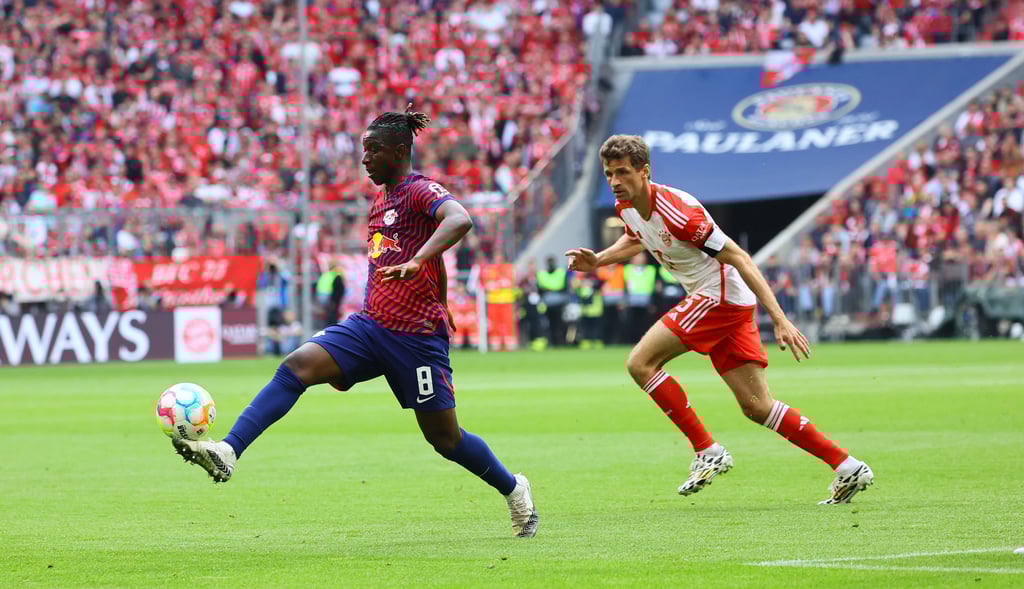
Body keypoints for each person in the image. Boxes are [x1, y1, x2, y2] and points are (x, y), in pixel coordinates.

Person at [172, 105, 538, 537]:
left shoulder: (421, 191)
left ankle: (515, 489)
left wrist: (423, 270)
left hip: (416, 339)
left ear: (400, 151)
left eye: (372, 150)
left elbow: (460, 220)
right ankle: (229, 451)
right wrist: (436, 287)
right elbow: (423, 259)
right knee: (296, 367)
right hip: (369, 326)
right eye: (363, 150)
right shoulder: (380, 200)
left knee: (445, 440)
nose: (364, 159)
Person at [565, 135, 874, 505]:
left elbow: (740, 257)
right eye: (609, 174)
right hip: (726, 301)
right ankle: (848, 467)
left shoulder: (680, 212)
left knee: (640, 363)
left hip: (720, 297)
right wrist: (598, 260)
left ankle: (707, 450)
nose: (615, 181)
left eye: (623, 172)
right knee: (757, 406)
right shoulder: (626, 206)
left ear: (644, 172)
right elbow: (638, 238)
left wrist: (780, 318)